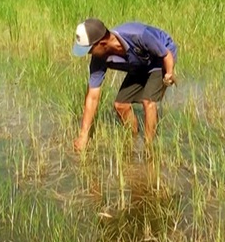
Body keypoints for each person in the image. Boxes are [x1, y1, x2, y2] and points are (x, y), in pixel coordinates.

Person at [72, 18, 177, 151]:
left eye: (90, 50)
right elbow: (92, 97)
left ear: (102, 43)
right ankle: (134, 138)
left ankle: (149, 149)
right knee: (120, 105)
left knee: (148, 101)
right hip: (140, 64)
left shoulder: (138, 36)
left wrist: (169, 73)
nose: (89, 54)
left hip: (160, 59)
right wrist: (83, 136)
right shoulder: (99, 59)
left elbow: (166, 54)